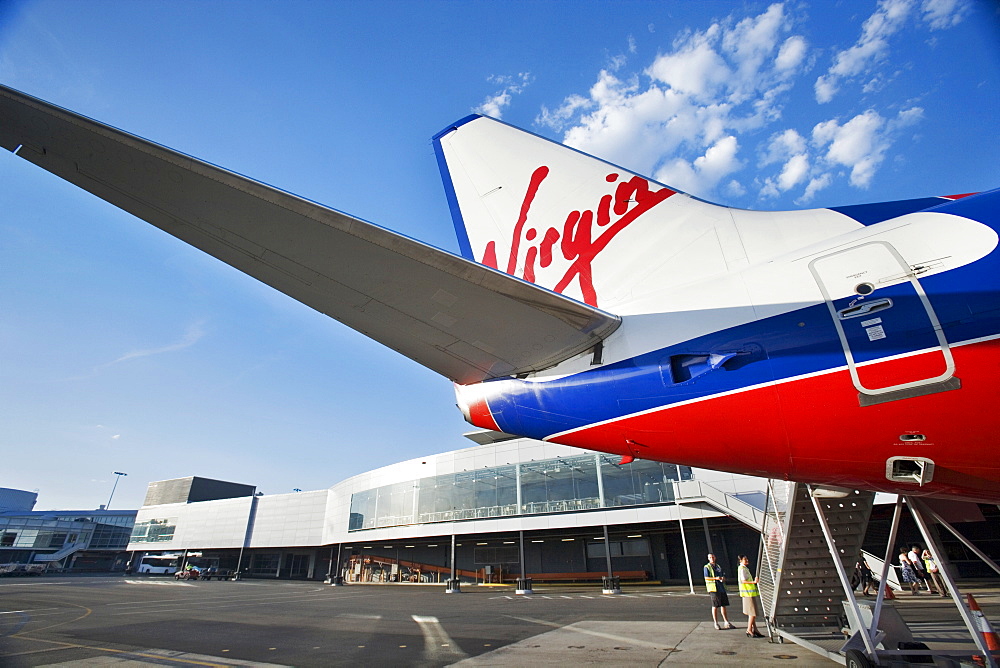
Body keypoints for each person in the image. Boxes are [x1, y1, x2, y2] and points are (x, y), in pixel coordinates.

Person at [704, 553, 735, 629]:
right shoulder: (707, 567)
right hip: (713, 588)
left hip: (721, 587)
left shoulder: (718, 566)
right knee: (715, 605)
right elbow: (706, 578)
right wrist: (715, 578)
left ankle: (726, 622)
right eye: (710, 557)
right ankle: (716, 623)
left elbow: (722, 574)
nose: (712, 558)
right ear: (708, 558)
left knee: (723, 605)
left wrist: (723, 578)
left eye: (713, 557)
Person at [737, 555, 764, 638]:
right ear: (740, 561)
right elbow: (743, 581)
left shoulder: (744, 568)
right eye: (745, 559)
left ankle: (755, 629)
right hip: (747, 593)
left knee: (752, 612)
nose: (747, 560)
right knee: (752, 612)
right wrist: (754, 582)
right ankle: (749, 629)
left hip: (749, 593)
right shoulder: (742, 569)